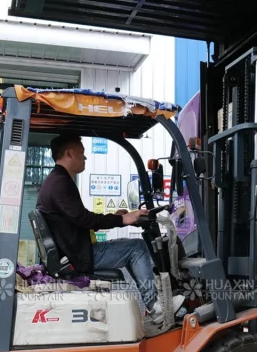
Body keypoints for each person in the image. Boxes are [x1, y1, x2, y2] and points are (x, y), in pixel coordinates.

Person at [37, 134, 166, 325]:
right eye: (82, 153)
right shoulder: (60, 183)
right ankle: (153, 305)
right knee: (136, 247)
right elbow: (83, 219)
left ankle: (151, 304)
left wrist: (115, 216)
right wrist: (123, 219)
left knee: (130, 248)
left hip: (74, 251)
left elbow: (77, 220)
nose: (85, 158)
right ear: (69, 154)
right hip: (78, 256)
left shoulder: (57, 180)